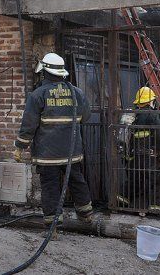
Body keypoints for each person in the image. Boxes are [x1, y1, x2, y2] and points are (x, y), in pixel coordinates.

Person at [14, 53, 95, 233]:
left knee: (50, 186)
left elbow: (29, 125)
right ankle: (86, 215)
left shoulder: (37, 95)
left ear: (44, 72)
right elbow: (86, 117)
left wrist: (20, 147)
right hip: (72, 151)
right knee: (76, 180)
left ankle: (53, 225)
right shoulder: (77, 93)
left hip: (47, 154)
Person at [119, 87, 160, 211]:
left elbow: (125, 139)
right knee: (158, 182)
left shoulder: (132, 115)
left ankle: (120, 201)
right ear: (151, 101)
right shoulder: (152, 115)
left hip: (134, 158)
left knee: (134, 180)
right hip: (150, 158)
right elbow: (159, 136)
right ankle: (157, 207)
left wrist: (127, 158)